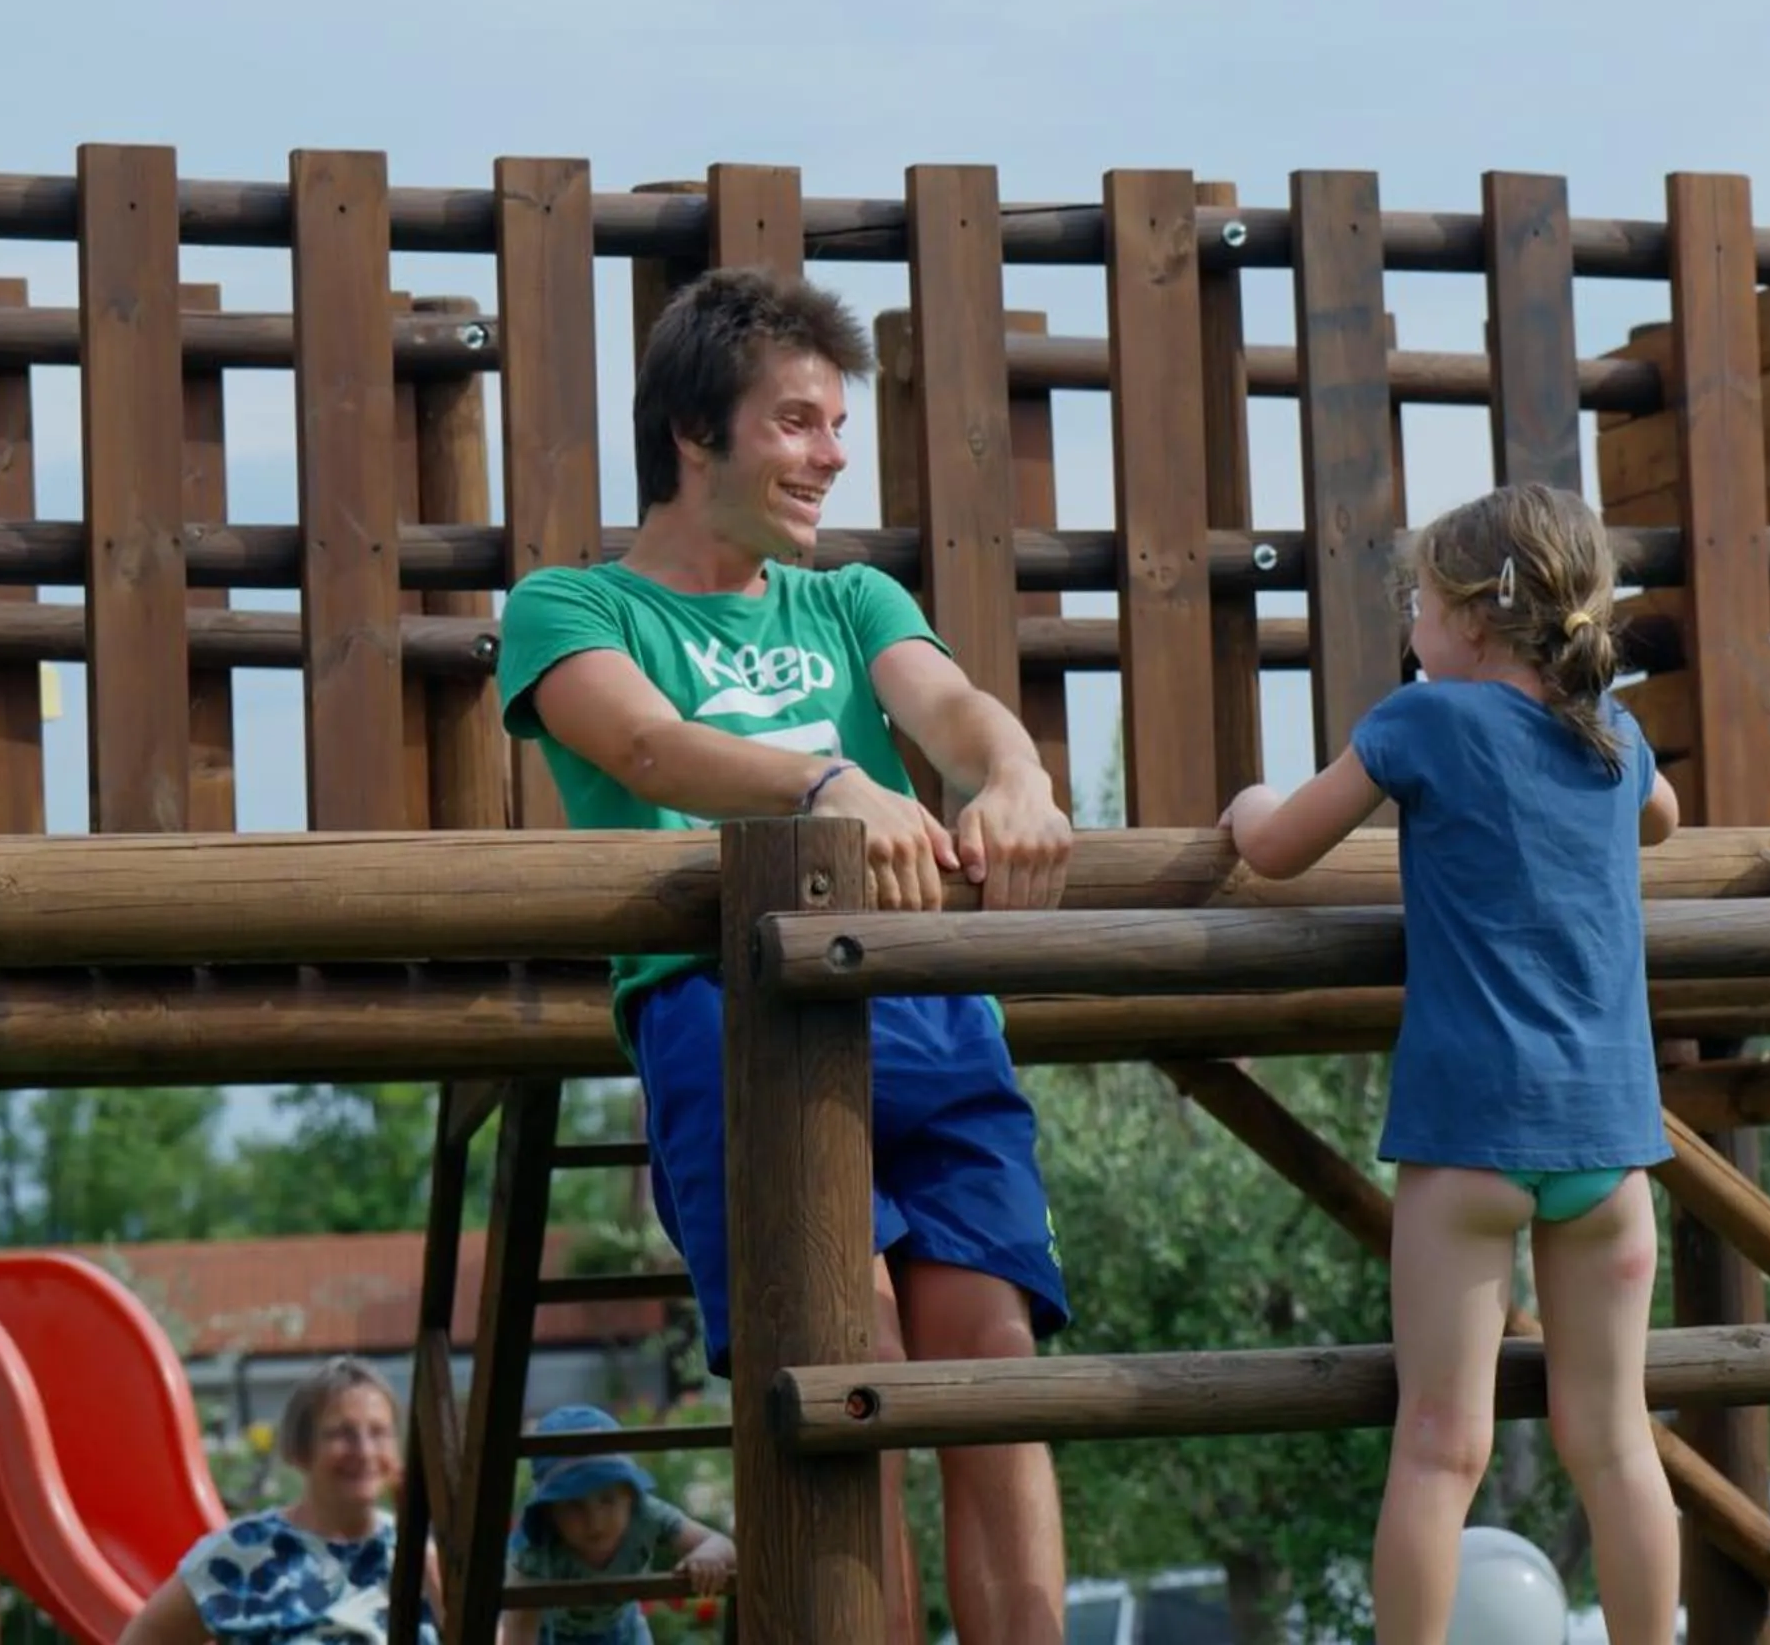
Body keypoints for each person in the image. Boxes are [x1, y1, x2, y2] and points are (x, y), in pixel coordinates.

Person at [492, 266, 1072, 1645]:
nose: (833, 455)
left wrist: (1016, 773)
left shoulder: (850, 601)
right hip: (734, 1017)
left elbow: (954, 707)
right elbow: (641, 746)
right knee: (851, 1362)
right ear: (698, 433)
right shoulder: (572, 607)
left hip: (923, 1004)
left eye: (834, 424)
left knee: (988, 1361)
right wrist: (823, 783)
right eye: (799, 423)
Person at [1218, 482, 1683, 1645]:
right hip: (1611, 1148)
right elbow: (1663, 815)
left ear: (1473, 618)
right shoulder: (1614, 735)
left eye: (1418, 599)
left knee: (1441, 1444)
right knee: (1618, 1437)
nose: (1410, 624)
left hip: (1472, 1136)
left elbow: (1278, 849)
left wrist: (1241, 806)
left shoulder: (1424, 721)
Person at [119, 1358, 441, 1645]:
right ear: (300, 1449)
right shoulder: (241, 1554)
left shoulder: (418, 1558)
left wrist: (422, 1544)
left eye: (379, 1433)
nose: (365, 1451)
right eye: (342, 1434)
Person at [499, 1405, 734, 1645]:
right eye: (573, 1505)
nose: (595, 1522)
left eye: (607, 1499)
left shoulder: (645, 1514)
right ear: (549, 1511)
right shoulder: (535, 1547)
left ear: (629, 1494)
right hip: (555, 1637)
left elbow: (722, 1544)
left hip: (625, 1632)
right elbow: (519, 1633)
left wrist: (708, 1555)